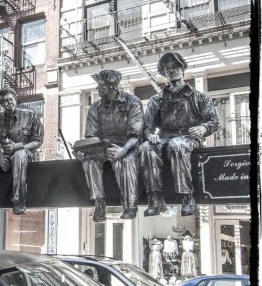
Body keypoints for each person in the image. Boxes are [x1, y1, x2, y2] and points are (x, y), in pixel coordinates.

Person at [140, 52, 219, 217]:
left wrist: (203, 128)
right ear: (164, 73)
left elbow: (213, 122)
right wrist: (150, 135)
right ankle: (155, 198)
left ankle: (186, 197)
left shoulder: (199, 97)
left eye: (176, 67)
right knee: (147, 147)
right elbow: (146, 127)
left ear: (182, 68)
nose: (172, 71)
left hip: (188, 137)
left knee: (178, 145)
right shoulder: (157, 100)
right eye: (167, 69)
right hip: (164, 136)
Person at [73, 70, 143, 222]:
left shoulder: (132, 102)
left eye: (101, 85)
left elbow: (135, 135)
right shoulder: (94, 107)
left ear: (112, 86)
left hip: (127, 146)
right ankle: (99, 203)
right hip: (103, 147)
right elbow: (91, 135)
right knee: (89, 160)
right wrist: (85, 150)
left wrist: (123, 150)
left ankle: (130, 205)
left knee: (126, 160)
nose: (97, 88)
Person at [0, 87, 43, 216]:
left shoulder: (30, 115)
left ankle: (19, 200)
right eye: (5, 101)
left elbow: (38, 141)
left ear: (15, 99)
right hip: (5, 155)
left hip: (26, 154)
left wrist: (17, 147)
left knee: (19, 155)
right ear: (1, 104)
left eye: (10, 99)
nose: (9, 103)